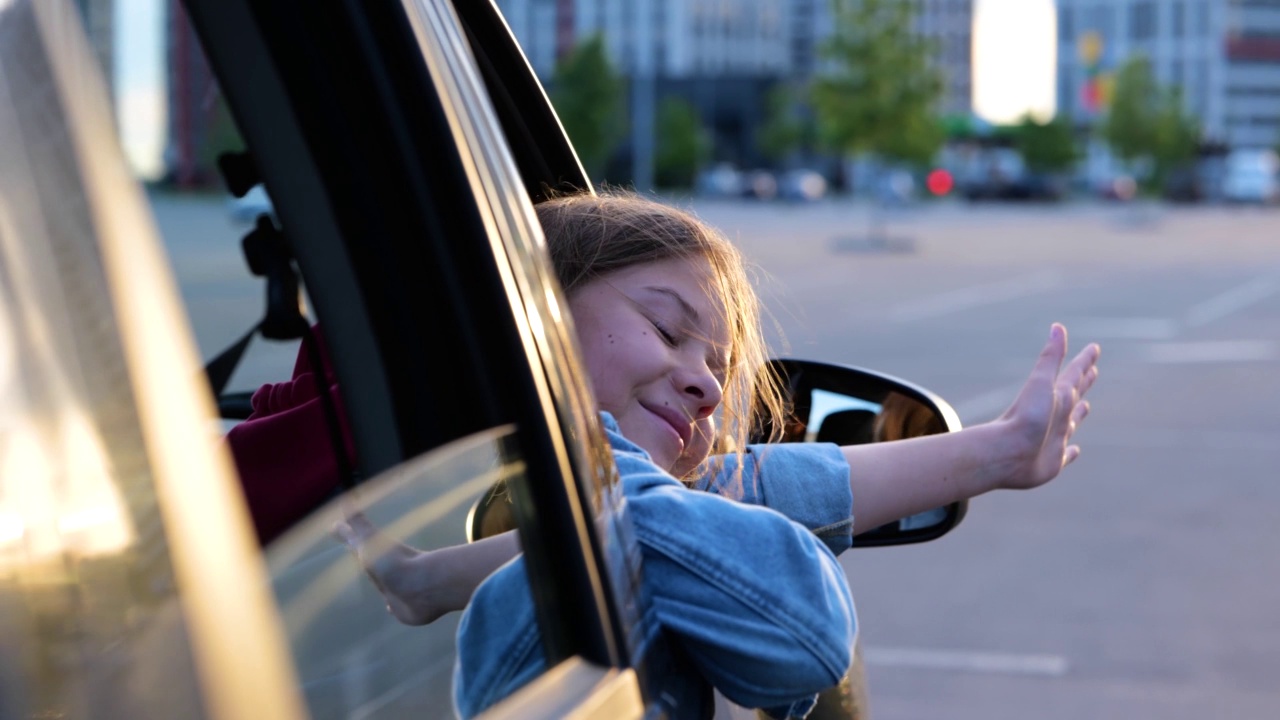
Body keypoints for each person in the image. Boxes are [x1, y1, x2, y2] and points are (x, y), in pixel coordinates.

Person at [245, 192, 1101, 717]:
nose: (705, 385)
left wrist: (996, 453)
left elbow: (726, 490)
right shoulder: (363, 425)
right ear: (533, 312)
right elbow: (797, 622)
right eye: (666, 328)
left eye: (721, 370)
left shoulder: (524, 463)